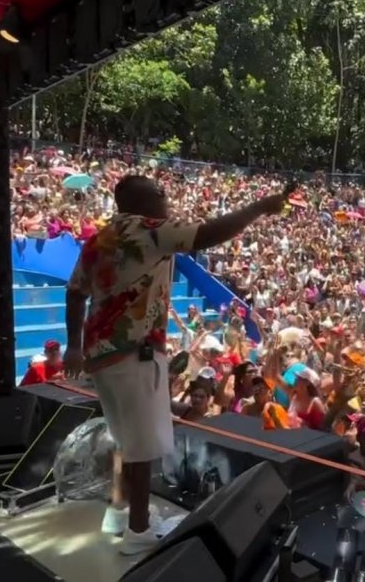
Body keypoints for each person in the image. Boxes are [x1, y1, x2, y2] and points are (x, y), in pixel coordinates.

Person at [64, 174, 286, 555]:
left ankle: (119, 512)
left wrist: (72, 346)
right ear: (141, 201)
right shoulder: (150, 230)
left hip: (101, 354)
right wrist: (260, 207)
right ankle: (138, 531)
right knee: (143, 446)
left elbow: (74, 292)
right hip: (136, 353)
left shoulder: (99, 238)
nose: (167, 200)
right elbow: (208, 233)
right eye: (161, 194)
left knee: (124, 437)